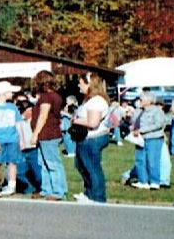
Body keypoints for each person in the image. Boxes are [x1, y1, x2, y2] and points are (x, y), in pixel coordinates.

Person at [71, 74, 112, 204]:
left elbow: (93, 123)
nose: (79, 85)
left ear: (89, 84)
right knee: (82, 165)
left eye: (81, 83)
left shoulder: (97, 101)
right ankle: (89, 192)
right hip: (86, 137)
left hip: (93, 138)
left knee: (92, 167)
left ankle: (97, 196)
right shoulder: (89, 100)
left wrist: (76, 121)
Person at [28, 70, 68, 201]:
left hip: (47, 134)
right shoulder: (56, 96)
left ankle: (58, 191)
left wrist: (35, 134)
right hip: (49, 134)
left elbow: (43, 116)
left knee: (52, 163)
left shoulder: (46, 97)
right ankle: (46, 189)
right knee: (43, 163)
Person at [130, 92, 167, 190]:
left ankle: (154, 182)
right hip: (140, 139)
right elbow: (133, 122)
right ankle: (143, 181)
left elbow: (159, 124)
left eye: (141, 100)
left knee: (152, 160)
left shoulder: (156, 111)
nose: (139, 101)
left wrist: (142, 130)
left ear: (149, 101)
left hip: (153, 138)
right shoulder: (138, 111)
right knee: (140, 160)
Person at [13, 93, 41, 196]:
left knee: (38, 173)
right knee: (19, 172)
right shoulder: (14, 116)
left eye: (24, 102)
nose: (22, 105)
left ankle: (41, 188)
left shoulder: (34, 115)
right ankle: (29, 188)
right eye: (19, 103)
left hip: (33, 148)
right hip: (20, 149)